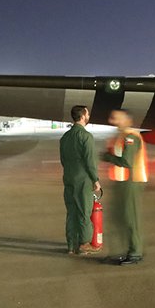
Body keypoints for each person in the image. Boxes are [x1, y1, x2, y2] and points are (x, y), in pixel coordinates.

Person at [102, 109, 148, 264]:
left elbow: (127, 162)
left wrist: (107, 157)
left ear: (128, 120)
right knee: (120, 217)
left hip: (132, 182)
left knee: (130, 217)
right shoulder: (121, 136)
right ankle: (124, 250)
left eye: (117, 118)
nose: (113, 121)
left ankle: (135, 252)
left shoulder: (131, 137)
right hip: (122, 181)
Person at [59, 105, 102, 255]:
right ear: (83, 116)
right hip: (83, 180)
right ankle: (84, 244)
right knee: (84, 212)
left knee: (71, 212)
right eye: (87, 114)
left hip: (69, 178)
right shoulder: (86, 136)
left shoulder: (65, 137)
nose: (89, 116)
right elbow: (90, 161)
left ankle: (71, 245)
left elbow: (63, 160)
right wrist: (95, 180)